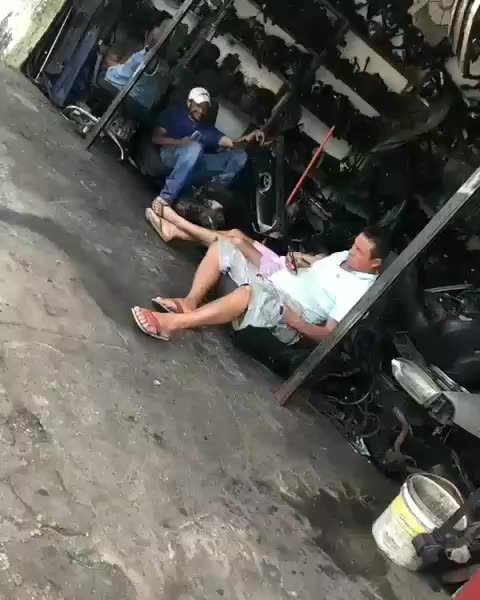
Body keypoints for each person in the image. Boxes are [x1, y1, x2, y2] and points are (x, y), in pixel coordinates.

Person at [131, 225, 389, 344]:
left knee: (250, 293)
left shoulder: (359, 290)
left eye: (358, 251)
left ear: (375, 263)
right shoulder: (345, 256)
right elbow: (318, 264)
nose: (351, 251)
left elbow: (330, 335)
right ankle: (190, 302)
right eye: (353, 244)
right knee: (225, 245)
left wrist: (295, 321)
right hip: (274, 279)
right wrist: (299, 260)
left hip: (290, 310)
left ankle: (172, 324)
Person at [145, 200, 323, 313]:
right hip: (278, 262)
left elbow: (308, 271)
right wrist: (296, 258)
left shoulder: (328, 276)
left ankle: (178, 224)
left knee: (237, 242)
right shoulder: (329, 260)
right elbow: (299, 257)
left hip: (275, 274)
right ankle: (174, 231)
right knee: (235, 233)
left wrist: (301, 263)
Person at [150, 87, 264, 206]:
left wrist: (251, 135)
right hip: (170, 154)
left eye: (204, 108)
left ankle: (210, 193)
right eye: (198, 105)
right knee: (195, 147)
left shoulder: (207, 128)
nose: (201, 111)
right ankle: (166, 197)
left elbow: (233, 144)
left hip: (197, 163)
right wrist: (180, 143)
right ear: (189, 102)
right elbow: (156, 138)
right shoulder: (176, 115)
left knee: (239, 155)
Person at [104, 23, 170, 109]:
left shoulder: (140, 58)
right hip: (143, 108)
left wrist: (111, 65)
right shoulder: (166, 68)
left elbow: (113, 77)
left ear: (147, 36)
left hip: (128, 103)